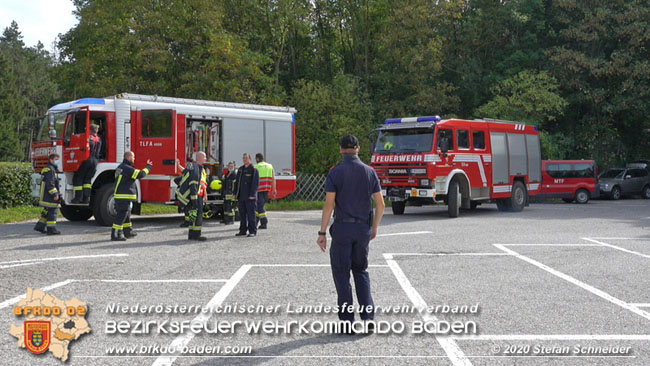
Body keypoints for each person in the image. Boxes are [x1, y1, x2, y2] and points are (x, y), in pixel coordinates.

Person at [317, 135, 385, 331]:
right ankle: (368, 318)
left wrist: (322, 232)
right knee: (361, 271)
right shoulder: (370, 172)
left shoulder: (336, 172)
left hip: (342, 229)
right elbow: (380, 204)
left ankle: (347, 322)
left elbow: (329, 204)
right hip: (362, 228)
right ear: (358, 149)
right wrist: (375, 227)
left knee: (341, 274)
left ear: (341, 150)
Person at [111, 151, 152, 241]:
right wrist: (148, 167)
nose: (134, 159)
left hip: (120, 195)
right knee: (122, 215)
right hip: (123, 196)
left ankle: (127, 232)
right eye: (133, 157)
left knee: (126, 214)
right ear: (129, 157)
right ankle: (115, 234)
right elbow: (140, 174)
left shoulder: (120, 167)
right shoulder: (127, 168)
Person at [176, 152, 208, 241]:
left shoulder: (192, 166)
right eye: (204, 157)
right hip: (195, 196)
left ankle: (191, 234)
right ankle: (197, 235)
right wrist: (195, 200)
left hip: (193, 196)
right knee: (198, 216)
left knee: (192, 215)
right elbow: (193, 184)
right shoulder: (196, 168)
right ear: (199, 158)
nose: (205, 159)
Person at [72, 124, 101, 204]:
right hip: (95, 161)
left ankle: (78, 198)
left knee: (78, 177)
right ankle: (86, 198)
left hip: (87, 159)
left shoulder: (88, 138)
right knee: (87, 180)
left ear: (90, 130)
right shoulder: (99, 139)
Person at [34, 153, 62, 235]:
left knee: (47, 210)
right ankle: (51, 229)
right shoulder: (51, 170)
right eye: (56, 160)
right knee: (53, 212)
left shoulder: (49, 169)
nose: (58, 162)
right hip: (49, 196)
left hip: (45, 195)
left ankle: (40, 226)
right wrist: (55, 194)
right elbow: (50, 184)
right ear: (51, 160)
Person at [234, 153, 259, 237]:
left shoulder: (253, 169)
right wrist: (235, 193)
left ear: (250, 159)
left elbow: (255, 184)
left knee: (251, 214)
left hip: (250, 196)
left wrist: (253, 194)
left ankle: (252, 231)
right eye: (243, 158)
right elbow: (237, 182)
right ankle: (242, 230)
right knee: (242, 215)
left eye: (246, 158)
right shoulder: (241, 169)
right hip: (241, 196)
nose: (245, 160)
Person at [254, 153, 276, 229]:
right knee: (258, 206)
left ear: (257, 159)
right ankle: (255, 222)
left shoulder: (255, 167)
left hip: (258, 189)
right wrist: (274, 189)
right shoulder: (270, 166)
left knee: (260, 206)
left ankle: (264, 222)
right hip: (267, 189)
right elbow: (273, 178)